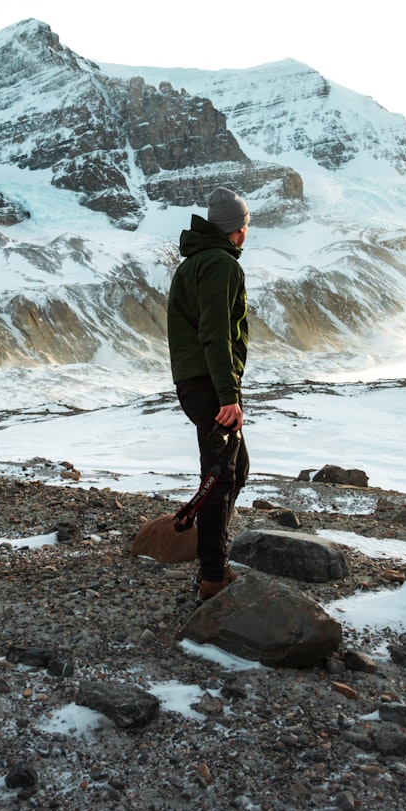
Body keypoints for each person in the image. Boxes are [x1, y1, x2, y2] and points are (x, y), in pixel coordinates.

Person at [167, 186, 251, 600]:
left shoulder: (193, 263)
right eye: (246, 224)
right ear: (237, 228)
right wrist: (228, 394)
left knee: (235, 469)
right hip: (210, 385)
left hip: (196, 382)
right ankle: (212, 577)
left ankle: (212, 557)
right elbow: (215, 334)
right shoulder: (220, 264)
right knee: (220, 477)